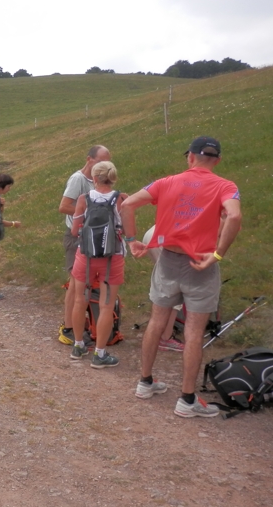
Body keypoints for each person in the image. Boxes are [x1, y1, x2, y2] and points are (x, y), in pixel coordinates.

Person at [121, 136, 241, 418]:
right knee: (194, 332)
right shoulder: (226, 186)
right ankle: (186, 399)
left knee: (156, 321)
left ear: (190, 157)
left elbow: (127, 205)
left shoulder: (166, 182)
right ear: (217, 160)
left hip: (167, 261)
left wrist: (131, 240)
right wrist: (218, 254)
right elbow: (234, 217)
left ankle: (145, 383)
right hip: (201, 265)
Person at [68, 161, 124, 368]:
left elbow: (75, 231)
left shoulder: (84, 199)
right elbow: (127, 230)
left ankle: (78, 345)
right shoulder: (120, 199)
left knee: (79, 301)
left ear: (94, 178)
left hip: (86, 257)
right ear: (113, 177)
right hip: (112, 258)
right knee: (106, 305)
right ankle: (99, 354)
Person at [58, 145, 111, 341]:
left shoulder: (96, 181)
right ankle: (68, 329)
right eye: (101, 162)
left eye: (107, 163)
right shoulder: (78, 179)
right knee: (74, 284)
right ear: (89, 159)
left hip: (91, 238)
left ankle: (79, 325)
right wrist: (90, 213)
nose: (104, 166)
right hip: (76, 237)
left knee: (82, 285)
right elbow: (64, 206)